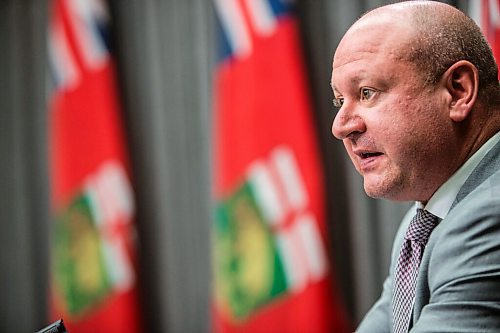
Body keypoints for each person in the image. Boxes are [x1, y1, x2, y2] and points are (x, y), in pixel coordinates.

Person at [330, 1, 500, 332]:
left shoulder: (489, 214)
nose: (340, 126)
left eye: (367, 92)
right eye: (339, 100)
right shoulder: (425, 218)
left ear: (458, 91)